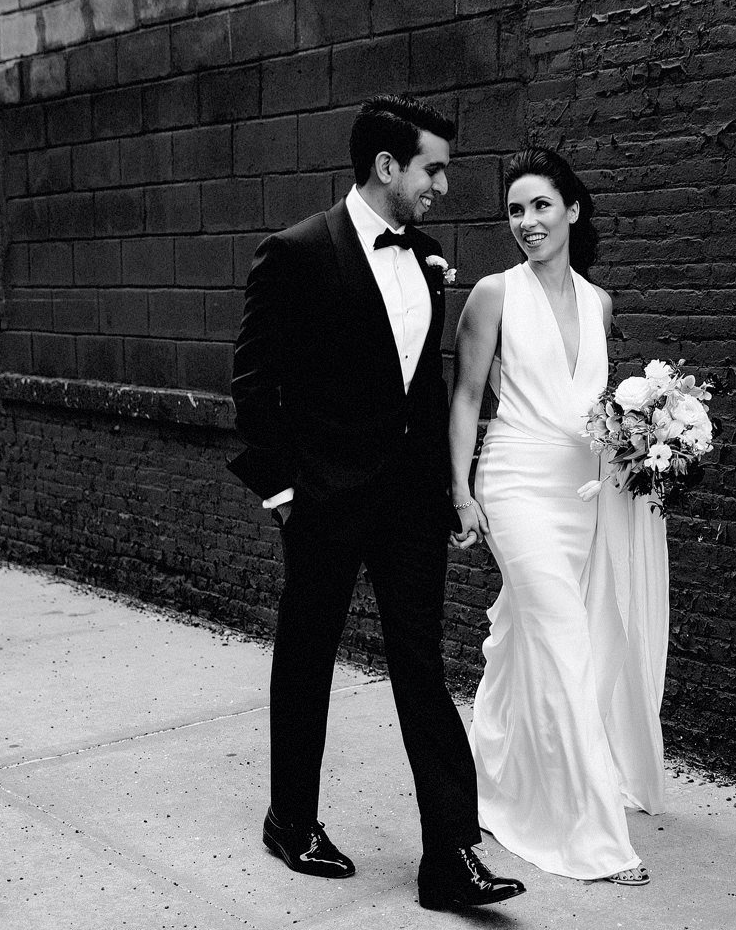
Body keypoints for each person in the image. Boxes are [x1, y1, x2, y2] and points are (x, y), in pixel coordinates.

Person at [227, 94, 525, 912]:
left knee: (421, 664)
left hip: (409, 505)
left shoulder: (427, 256)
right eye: (434, 169)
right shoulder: (294, 252)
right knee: (308, 654)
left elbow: (422, 387)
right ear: (387, 166)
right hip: (323, 500)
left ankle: (450, 854)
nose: (442, 186)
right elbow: (253, 382)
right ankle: (291, 819)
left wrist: (450, 489)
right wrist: (284, 492)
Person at [448, 147, 668, 886]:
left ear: (572, 210)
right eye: (515, 209)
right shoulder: (492, 295)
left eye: (541, 205)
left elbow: (594, 410)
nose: (527, 221)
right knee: (564, 639)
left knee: (526, 639)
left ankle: (487, 779)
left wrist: (648, 438)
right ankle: (595, 838)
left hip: (585, 494)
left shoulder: (600, 303)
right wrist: (461, 492)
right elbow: (466, 398)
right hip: (515, 483)